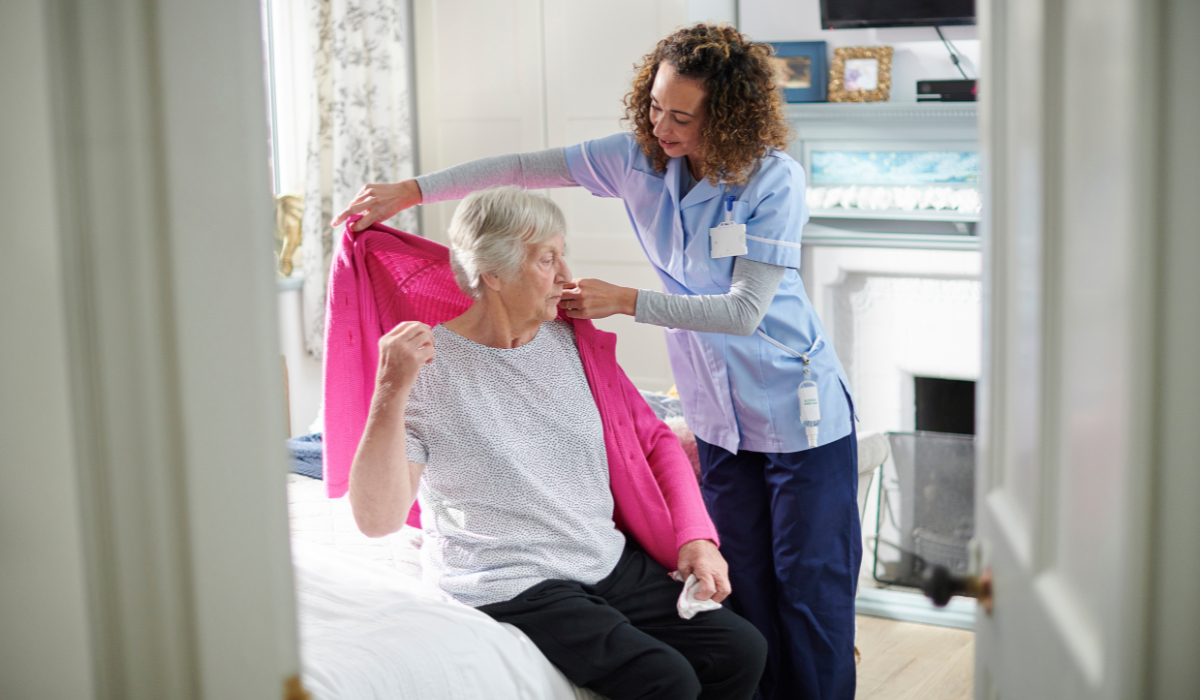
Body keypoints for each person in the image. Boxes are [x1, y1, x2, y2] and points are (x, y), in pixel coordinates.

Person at [335, 24, 860, 700]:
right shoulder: (637, 159)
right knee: (748, 592)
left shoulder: (771, 179)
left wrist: (625, 300)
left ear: (726, 116)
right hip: (716, 413)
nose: (661, 127)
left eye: (682, 117)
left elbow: (744, 312)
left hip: (795, 405)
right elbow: (520, 168)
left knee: (811, 594)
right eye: (655, 107)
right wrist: (412, 190)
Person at [348, 187, 767, 700]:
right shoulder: (428, 370)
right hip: (510, 577)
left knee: (739, 649)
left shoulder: (573, 342)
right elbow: (377, 520)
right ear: (493, 272)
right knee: (665, 679)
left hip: (600, 557)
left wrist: (697, 539)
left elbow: (653, 440)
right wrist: (389, 388)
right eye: (548, 259)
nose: (567, 275)